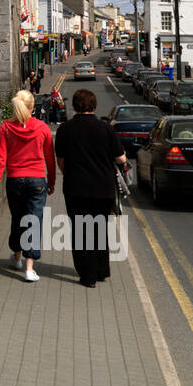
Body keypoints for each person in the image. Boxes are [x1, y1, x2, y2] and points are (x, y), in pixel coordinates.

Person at [54, 88, 126, 288]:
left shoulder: (65, 129)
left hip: (75, 187)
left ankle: (88, 276)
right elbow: (121, 158)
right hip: (103, 188)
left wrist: (69, 173)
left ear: (74, 105)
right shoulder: (106, 128)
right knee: (100, 228)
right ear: (93, 105)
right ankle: (102, 270)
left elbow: (61, 160)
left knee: (81, 231)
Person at [0, 90, 56, 283]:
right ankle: (29, 268)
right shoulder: (42, 128)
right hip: (37, 180)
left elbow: (0, 157)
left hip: (15, 180)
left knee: (18, 218)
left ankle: (17, 257)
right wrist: (51, 181)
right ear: (31, 107)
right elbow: (49, 159)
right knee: (33, 221)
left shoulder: (6, 128)